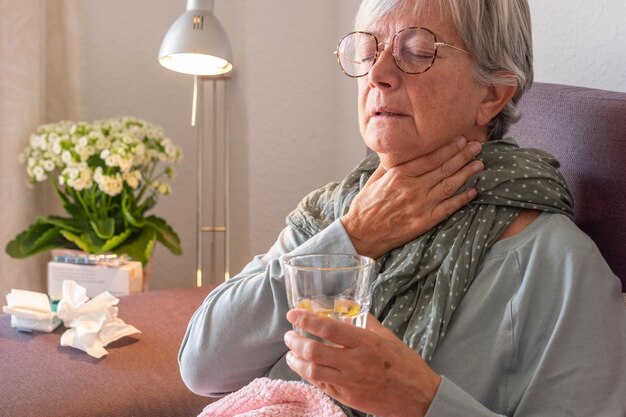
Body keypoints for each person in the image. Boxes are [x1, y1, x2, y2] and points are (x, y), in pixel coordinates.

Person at [178, 0, 626, 416]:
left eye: (416, 51)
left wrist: (421, 400)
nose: (379, 74)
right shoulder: (341, 209)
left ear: (492, 94)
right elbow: (203, 366)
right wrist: (354, 237)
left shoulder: (556, 265)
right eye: (369, 50)